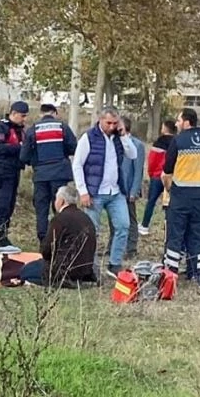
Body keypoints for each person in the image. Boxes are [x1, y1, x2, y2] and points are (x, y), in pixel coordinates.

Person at [72, 106, 138, 278]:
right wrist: (83, 191)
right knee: (92, 231)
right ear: (100, 120)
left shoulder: (118, 137)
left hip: (116, 191)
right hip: (95, 192)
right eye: (108, 123)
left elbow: (132, 154)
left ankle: (114, 263)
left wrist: (123, 135)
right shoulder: (88, 138)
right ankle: (90, 266)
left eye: (115, 123)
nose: (111, 126)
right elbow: (77, 164)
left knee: (123, 225)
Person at [162, 108, 200, 289]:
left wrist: (169, 188)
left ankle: (170, 278)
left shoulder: (178, 141)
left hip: (180, 197)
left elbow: (167, 171)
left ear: (186, 122)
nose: (177, 123)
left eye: (178, 120)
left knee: (175, 237)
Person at [19, 103, 78, 243]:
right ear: (55, 113)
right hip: (59, 174)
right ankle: (61, 238)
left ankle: (44, 241)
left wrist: (35, 162)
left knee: (41, 209)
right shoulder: (62, 127)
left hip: (41, 175)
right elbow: (73, 147)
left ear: (41, 114)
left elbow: (23, 156)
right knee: (61, 207)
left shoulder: (33, 129)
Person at [19, 185, 98, 286]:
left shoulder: (60, 219)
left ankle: (61, 281)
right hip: (85, 271)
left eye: (56, 198)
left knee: (26, 270)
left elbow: (47, 250)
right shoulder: (86, 218)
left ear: (61, 201)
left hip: (63, 270)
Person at [0, 101, 29, 247]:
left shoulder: (21, 130)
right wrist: (19, 148)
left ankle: (3, 234)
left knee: (10, 206)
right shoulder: (1, 127)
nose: (24, 119)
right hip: (2, 171)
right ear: (14, 113)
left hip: (14, 171)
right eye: (22, 116)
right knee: (2, 205)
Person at [107, 118, 145, 258]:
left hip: (128, 189)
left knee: (130, 219)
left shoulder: (137, 145)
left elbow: (138, 170)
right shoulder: (113, 142)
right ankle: (111, 246)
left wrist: (134, 191)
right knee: (113, 219)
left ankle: (131, 248)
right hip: (114, 188)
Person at [138, 120, 177, 235]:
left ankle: (145, 225)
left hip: (157, 175)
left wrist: (151, 173)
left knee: (151, 201)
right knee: (171, 203)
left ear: (165, 128)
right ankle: (169, 227)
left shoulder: (159, 142)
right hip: (172, 177)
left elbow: (152, 160)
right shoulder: (178, 142)